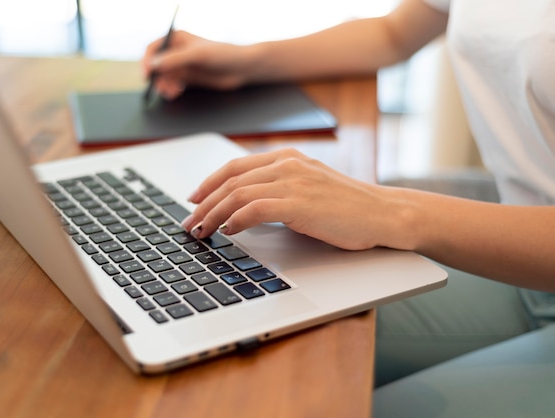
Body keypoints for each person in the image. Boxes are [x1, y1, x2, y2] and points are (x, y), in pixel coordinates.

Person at [142, 0, 555, 390]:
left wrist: (391, 212)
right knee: (264, 277)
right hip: (520, 203)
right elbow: (394, 33)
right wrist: (245, 62)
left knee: (301, 367)